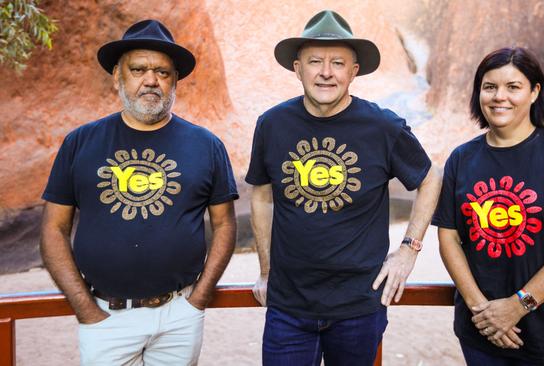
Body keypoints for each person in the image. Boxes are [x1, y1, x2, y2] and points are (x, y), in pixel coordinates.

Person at [245, 10, 438, 366]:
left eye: (338, 62)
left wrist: (408, 250)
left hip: (358, 306)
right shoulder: (272, 124)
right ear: (297, 67)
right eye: (315, 61)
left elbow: (429, 179)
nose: (326, 72)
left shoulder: (383, 127)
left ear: (354, 71)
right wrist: (266, 270)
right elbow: (260, 195)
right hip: (288, 306)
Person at [40, 19, 238, 365]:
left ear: (175, 80)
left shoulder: (206, 145)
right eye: (139, 69)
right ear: (118, 75)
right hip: (105, 317)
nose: (151, 80)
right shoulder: (80, 143)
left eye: (162, 72)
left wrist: (199, 299)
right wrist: (85, 308)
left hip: (179, 316)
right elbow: (53, 228)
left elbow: (224, 225)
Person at [432, 47, 544, 365]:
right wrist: (480, 311)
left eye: (513, 87)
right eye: (490, 87)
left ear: (534, 92)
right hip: (481, 335)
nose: (500, 97)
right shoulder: (462, 158)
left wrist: (517, 306)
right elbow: (448, 238)